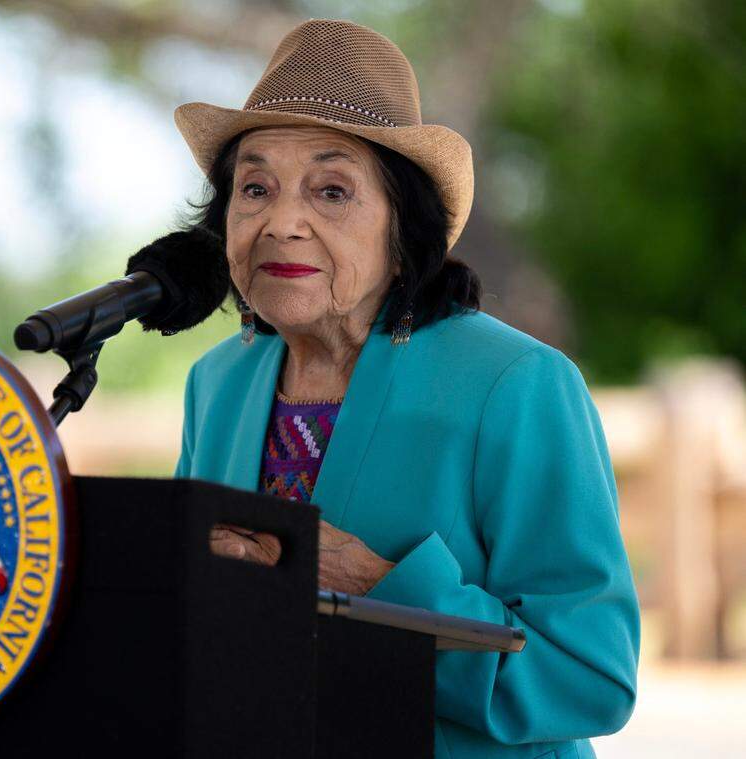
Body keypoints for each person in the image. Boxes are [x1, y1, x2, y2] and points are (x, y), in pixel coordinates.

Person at [172, 19, 638, 759]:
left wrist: (379, 585)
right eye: (254, 187)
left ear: (403, 231)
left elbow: (591, 675)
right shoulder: (217, 384)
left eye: (331, 191)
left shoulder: (518, 385)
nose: (280, 222)